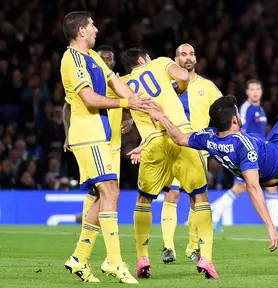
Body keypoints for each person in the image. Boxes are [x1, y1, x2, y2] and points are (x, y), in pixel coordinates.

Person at [131, 28, 278, 253]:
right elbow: (253, 187)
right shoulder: (244, 145)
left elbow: (179, 137)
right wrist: (270, 227)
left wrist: (155, 127)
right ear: (234, 119)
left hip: (265, 157)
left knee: (204, 191)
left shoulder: (207, 137)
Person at [61, 11, 154, 284]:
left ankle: (79, 258)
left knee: (104, 196)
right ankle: (114, 261)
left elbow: (116, 83)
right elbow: (88, 99)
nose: (96, 29)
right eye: (91, 25)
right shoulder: (72, 59)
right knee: (110, 189)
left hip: (99, 136)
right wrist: (127, 105)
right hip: (87, 134)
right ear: (80, 31)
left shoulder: (92, 58)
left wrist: (141, 101)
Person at [120, 47, 219, 279]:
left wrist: (128, 122)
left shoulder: (124, 83)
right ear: (145, 59)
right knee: (200, 197)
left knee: (144, 200)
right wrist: (179, 89)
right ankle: (206, 258)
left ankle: (142, 257)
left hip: (152, 143)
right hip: (181, 136)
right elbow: (184, 77)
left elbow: (123, 114)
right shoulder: (160, 63)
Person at [160, 43, 222, 264]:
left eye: (191, 54)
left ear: (196, 59)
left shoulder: (208, 86)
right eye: (183, 54)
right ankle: (168, 247)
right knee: (172, 194)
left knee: (197, 200)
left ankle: (193, 247)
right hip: (172, 149)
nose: (188, 58)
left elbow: (222, 112)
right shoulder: (165, 86)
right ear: (175, 59)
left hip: (198, 150)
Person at [212, 79, 278, 233]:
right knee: (239, 187)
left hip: (260, 154)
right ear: (247, 92)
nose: (255, 92)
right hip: (247, 155)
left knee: (271, 187)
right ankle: (215, 217)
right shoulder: (245, 109)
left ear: (261, 91)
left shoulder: (260, 109)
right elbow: (239, 132)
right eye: (252, 89)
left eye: (258, 89)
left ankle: (276, 223)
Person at [63, 45, 132, 222]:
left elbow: (130, 104)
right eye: (103, 58)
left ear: (114, 62)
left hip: (114, 147)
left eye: (109, 58)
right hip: (93, 140)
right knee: (97, 189)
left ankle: (98, 224)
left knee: (111, 191)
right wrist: (68, 132)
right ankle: (88, 223)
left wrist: (129, 119)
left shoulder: (119, 82)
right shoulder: (91, 81)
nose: (106, 61)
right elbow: (67, 106)